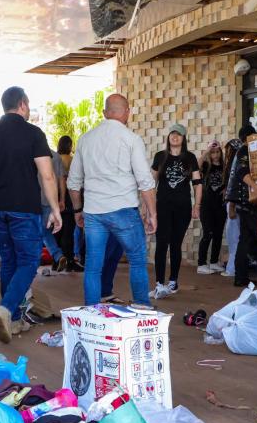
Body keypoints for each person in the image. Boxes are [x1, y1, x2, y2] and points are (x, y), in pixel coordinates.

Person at [0, 86, 62, 343]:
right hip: (25, 208)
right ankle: (6, 309)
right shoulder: (33, 133)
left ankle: (12, 322)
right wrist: (55, 209)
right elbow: (47, 174)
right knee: (29, 262)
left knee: (10, 262)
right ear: (22, 104)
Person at [68, 93, 157, 307]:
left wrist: (78, 210)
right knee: (136, 260)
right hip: (123, 210)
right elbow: (145, 181)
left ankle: (91, 313)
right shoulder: (131, 139)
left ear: (105, 113)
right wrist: (152, 213)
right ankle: (142, 309)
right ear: (127, 113)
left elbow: (73, 182)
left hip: (94, 212)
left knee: (93, 266)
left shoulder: (86, 139)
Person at [151, 124, 202, 298]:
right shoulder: (160, 157)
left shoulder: (190, 158)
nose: (175, 136)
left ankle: (173, 281)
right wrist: (148, 207)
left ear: (183, 138)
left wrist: (197, 206)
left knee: (175, 244)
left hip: (183, 207)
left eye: (178, 134)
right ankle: (159, 283)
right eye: (172, 133)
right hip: (163, 206)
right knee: (162, 243)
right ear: (168, 137)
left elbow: (197, 183)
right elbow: (152, 183)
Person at [224, 125, 257, 287]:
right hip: (245, 201)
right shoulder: (244, 151)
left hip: (243, 202)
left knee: (247, 239)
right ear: (248, 137)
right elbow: (242, 173)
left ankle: (242, 277)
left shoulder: (244, 152)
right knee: (256, 239)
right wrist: (256, 187)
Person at [197, 141, 227, 274]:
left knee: (218, 234)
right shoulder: (205, 165)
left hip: (220, 205)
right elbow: (195, 167)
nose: (215, 155)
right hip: (206, 204)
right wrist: (206, 151)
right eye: (213, 152)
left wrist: (226, 188)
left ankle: (214, 262)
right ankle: (201, 264)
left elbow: (230, 180)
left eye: (217, 152)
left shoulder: (224, 167)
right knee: (207, 233)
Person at [40, 149, 68, 271]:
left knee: (39, 231)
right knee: (44, 230)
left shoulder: (32, 154)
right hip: (50, 199)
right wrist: (61, 199)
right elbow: (62, 180)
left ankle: (55, 255)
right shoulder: (56, 157)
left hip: (33, 200)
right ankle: (58, 255)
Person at [222, 138, 243, 279]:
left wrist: (232, 206)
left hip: (234, 204)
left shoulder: (235, 165)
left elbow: (233, 187)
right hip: (236, 203)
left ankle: (232, 269)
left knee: (233, 238)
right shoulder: (234, 164)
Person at [56, 136, 78, 269]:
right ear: (69, 145)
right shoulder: (71, 160)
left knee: (57, 229)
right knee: (68, 230)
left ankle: (56, 260)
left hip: (55, 196)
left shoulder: (54, 158)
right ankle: (69, 260)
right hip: (69, 196)